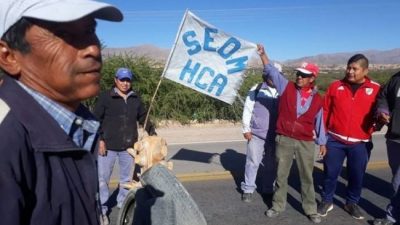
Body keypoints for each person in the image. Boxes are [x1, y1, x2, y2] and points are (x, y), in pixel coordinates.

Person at [0, 0, 122, 225]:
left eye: (90, 30)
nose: (93, 49)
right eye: (63, 34)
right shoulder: (7, 138)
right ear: (9, 56)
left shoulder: (78, 123)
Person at [258, 44, 327, 224]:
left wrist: (322, 142)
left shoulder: (318, 99)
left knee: (307, 177)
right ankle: (277, 205)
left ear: (312, 78)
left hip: (305, 142)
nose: (299, 77)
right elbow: (271, 71)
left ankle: (310, 209)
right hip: (285, 138)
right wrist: (263, 55)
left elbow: (320, 122)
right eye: (298, 73)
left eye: (303, 75)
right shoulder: (286, 87)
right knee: (281, 175)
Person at [318, 54, 380, 220]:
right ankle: (326, 200)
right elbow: (325, 111)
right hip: (334, 139)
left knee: (356, 175)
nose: (350, 71)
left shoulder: (375, 89)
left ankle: (351, 202)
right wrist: (322, 138)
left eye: (355, 69)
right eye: (348, 67)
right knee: (330, 173)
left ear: (365, 70)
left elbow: (381, 111)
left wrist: (375, 126)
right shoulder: (335, 86)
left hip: (360, 142)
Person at [93, 67, 157, 218]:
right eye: (122, 80)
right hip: (107, 146)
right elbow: (96, 119)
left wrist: (153, 133)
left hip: (129, 147)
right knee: (102, 180)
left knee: (127, 180)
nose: (125, 83)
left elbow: (143, 117)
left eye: (128, 80)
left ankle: (123, 204)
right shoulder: (106, 97)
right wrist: (100, 139)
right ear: (115, 80)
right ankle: (101, 210)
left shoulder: (135, 98)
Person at [240, 63, 279, 202]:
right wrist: (246, 129)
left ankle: (268, 188)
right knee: (252, 162)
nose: (273, 78)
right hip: (256, 134)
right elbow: (247, 109)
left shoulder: (283, 91)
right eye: (270, 75)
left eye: (276, 75)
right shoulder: (256, 89)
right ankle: (248, 189)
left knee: (271, 163)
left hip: (275, 135)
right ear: (266, 75)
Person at [373, 70, 400, 225]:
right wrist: (383, 111)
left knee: (398, 180)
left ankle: (392, 216)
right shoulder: (395, 78)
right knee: (395, 174)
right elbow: (383, 97)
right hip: (394, 137)